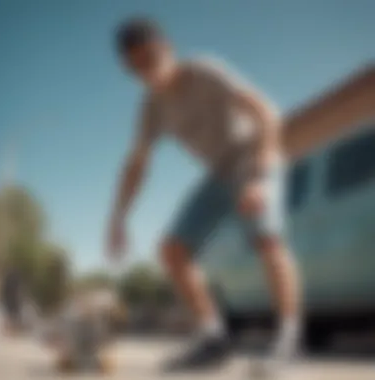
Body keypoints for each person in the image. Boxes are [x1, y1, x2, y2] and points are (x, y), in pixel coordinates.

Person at [106, 17, 302, 374]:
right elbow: (136, 165)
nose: (148, 73)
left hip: (253, 153)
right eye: (136, 68)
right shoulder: (151, 106)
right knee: (172, 249)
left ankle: (288, 339)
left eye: (150, 59)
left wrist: (259, 176)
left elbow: (266, 112)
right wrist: (118, 218)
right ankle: (214, 339)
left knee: (266, 237)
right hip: (219, 172)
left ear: (167, 49)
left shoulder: (203, 70)